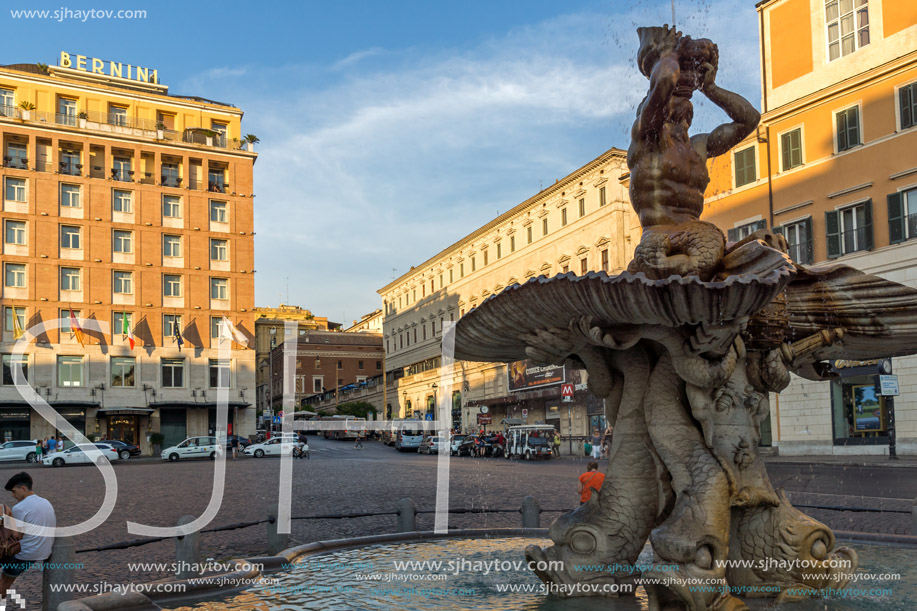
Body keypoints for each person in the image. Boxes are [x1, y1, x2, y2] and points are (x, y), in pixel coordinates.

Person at [0, 472, 56, 600]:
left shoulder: (20, 508)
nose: (13, 495)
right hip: (42, 551)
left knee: (3, 584)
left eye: (14, 492)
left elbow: (16, 536)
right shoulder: (45, 502)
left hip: (22, 555)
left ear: (23, 488)